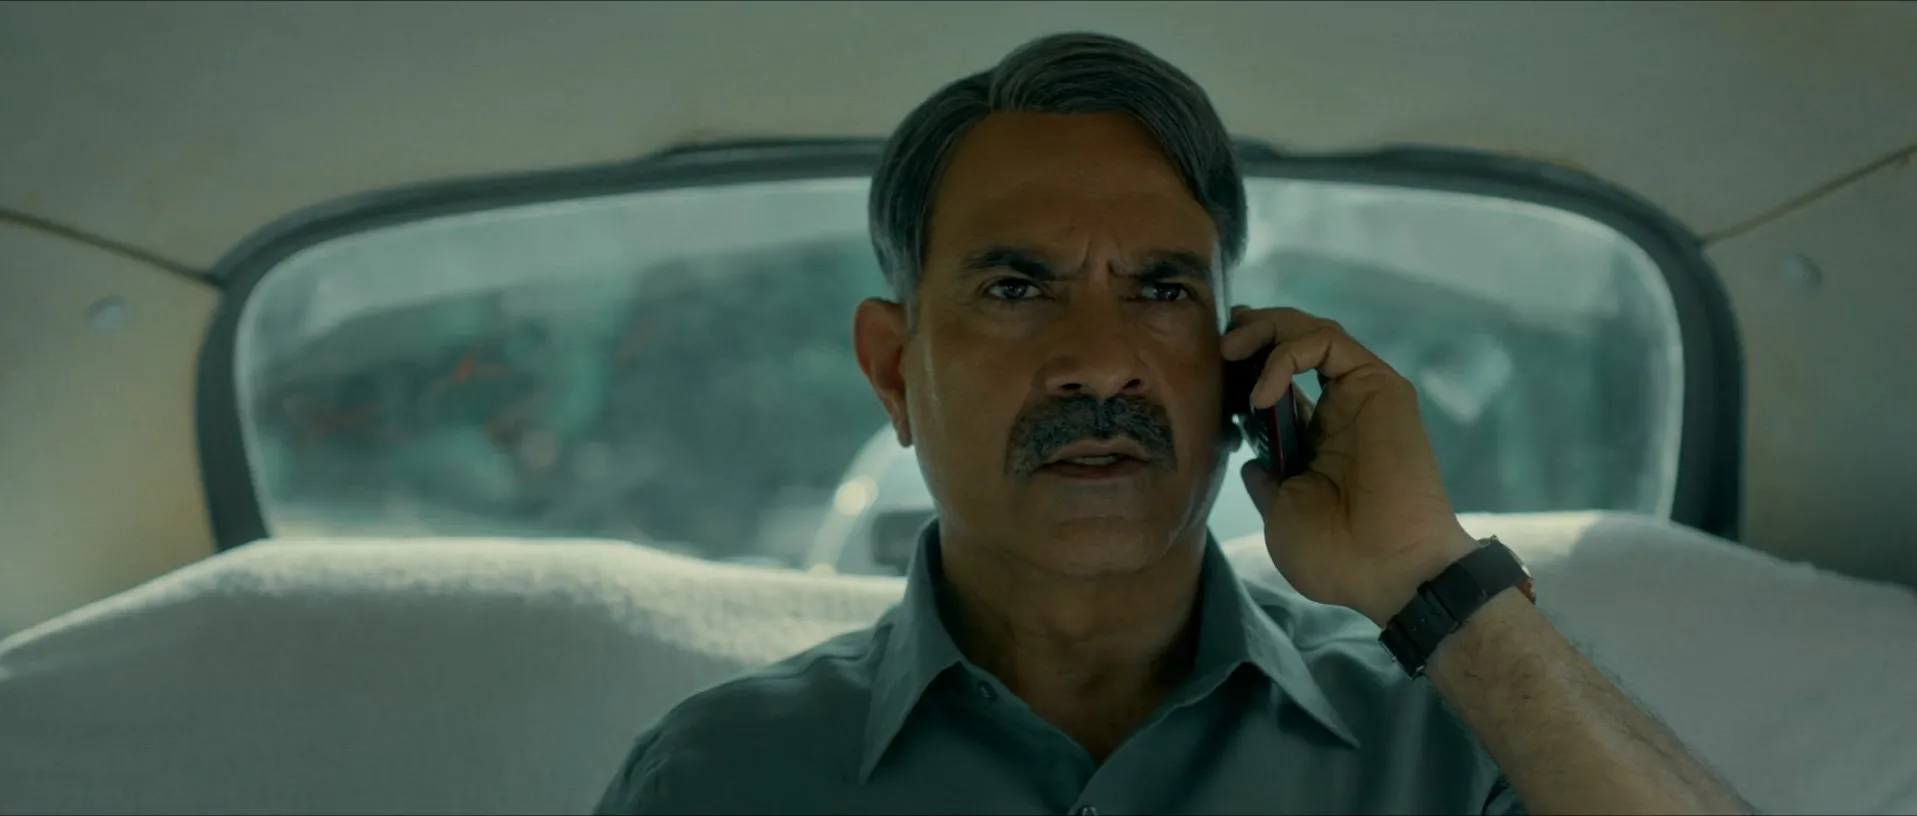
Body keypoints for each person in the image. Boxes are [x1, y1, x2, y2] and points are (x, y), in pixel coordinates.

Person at [595, 32, 1750, 815]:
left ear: (1239, 356)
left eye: (1161, 289)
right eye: (1016, 287)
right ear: (895, 370)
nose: (1101, 360)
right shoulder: (720, 777)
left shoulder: (1457, 738)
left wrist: (1430, 581)